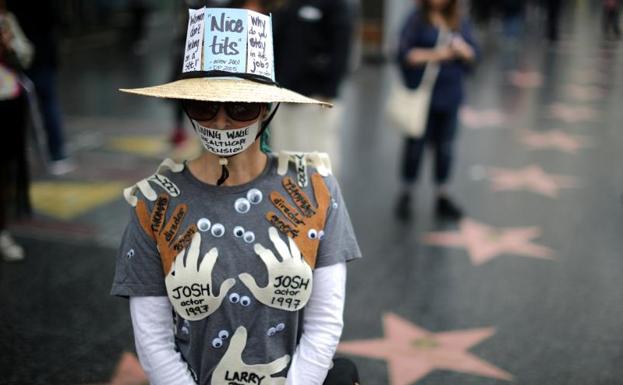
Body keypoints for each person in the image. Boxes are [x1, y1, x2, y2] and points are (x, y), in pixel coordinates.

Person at [111, 7, 361, 385]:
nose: (221, 121)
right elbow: (154, 342)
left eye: (241, 106)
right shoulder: (153, 204)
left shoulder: (316, 189)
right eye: (203, 106)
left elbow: (325, 322)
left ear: (267, 109)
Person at [394, 0, 478, 221]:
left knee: (446, 147)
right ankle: (407, 192)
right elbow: (405, 55)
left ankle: (442, 194)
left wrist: (464, 51)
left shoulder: (460, 20)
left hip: (450, 96)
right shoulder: (416, 19)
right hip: (423, 97)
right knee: (415, 146)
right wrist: (442, 54)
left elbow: (474, 55)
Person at [269, 0, 356, 175]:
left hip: (315, 98)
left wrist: (329, 91)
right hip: (282, 94)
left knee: (317, 159)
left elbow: (342, 50)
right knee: (282, 156)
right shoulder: (288, 5)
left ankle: (325, 200)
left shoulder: (336, 6)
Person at [7, 0, 75, 175]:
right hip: (40, 51)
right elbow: (55, 19)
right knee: (47, 101)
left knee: (18, 105)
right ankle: (57, 155)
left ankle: (24, 156)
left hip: (15, 55)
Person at [0, 0, 32, 261]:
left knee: (7, 169)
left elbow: (26, 53)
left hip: (10, 102)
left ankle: (3, 231)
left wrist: (10, 42)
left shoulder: (7, 19)